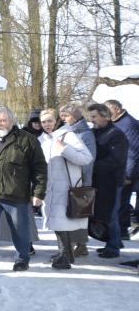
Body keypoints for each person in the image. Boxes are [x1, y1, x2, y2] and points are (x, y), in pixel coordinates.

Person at [0, 106, 47, 274]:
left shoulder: (27, 140)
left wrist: (39, 192)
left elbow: (39, 168)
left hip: (17, 193)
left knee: (20, 229)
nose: (0, 124)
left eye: (3, 120)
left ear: (11, 121)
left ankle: (22, 259)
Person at [37, 109, 93, 269]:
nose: (47, 124)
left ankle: (65, 255)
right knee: (56, 222)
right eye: (43, 122)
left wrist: (65, 149)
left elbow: (86, 158)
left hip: (67, 188)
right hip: (50, 188)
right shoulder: (42, 140)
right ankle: (65, 253)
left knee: (62, 222)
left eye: (49, 120)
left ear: (56, 121)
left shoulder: (68, 136)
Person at [87, 103, 127, 259]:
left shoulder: (116, 135)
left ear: (105, 116)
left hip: (112, 182)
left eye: (95, 116)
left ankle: (114, 246)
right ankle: (111, 242)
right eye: (91, 117)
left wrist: (91, 164)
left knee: (111, 215)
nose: (92, 120)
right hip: (99, 181)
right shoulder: (95, 132)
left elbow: (116, 159)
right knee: (103, 214)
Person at [59, 105, 96, 256]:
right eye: (62, 116)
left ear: (74, 116)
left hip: (79, 180)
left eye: (66, 116)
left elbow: (89, 159)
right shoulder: (66, 130)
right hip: (68, 177)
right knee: (72, 212)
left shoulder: (86, 134)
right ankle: (77, 245)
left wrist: (83, 182)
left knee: (79, 212)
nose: (63, 119)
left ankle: (80, 245)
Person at [105, 100, 139, 234]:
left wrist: (128, 174)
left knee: (122, 201)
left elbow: (133, 152)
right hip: (123, 168)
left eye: (108, 110)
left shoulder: (128, 124)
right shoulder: (118, 122)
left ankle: (123, 230)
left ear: (117, 109)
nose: (106, 114)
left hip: (129, 171)